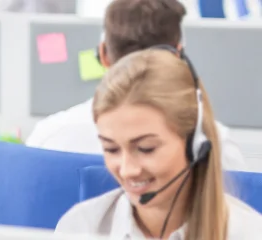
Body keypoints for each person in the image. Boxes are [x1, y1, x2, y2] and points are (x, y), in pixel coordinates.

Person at [55, 49, 262, 239]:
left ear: (195, 144)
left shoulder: (248, 233)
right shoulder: (81, 227)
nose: (127, 170)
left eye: (146, 149)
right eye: (111, 149)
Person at [25, 0, 248, 171]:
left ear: (103, 54)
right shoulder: (216, 145)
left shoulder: (48, 137)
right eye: (111, 149)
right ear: (178, 56)